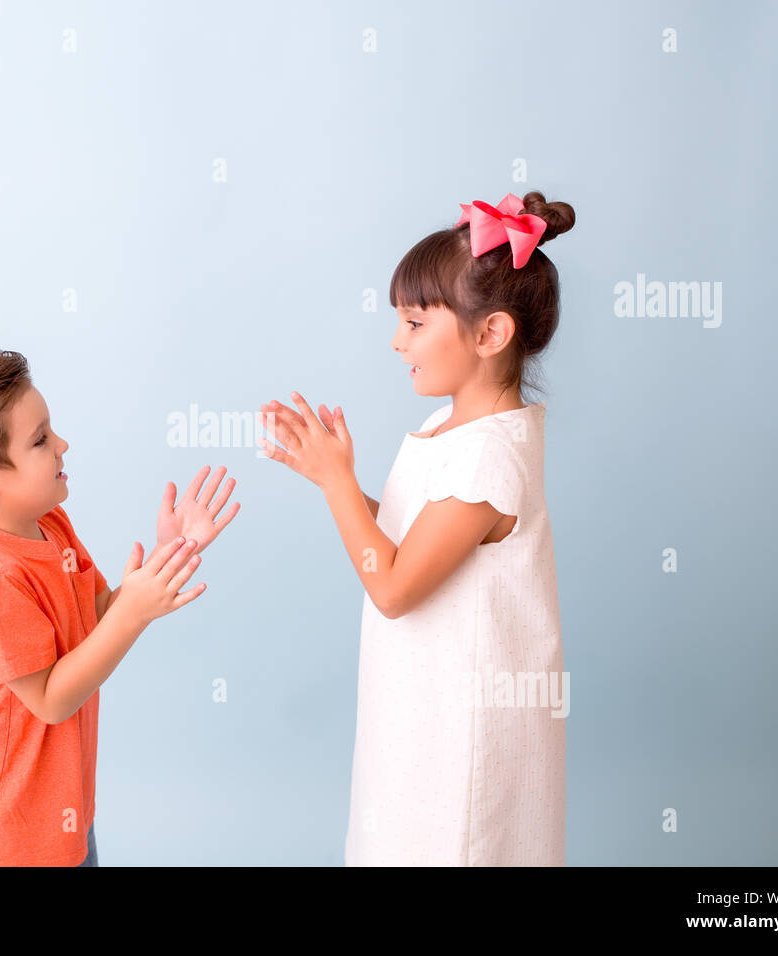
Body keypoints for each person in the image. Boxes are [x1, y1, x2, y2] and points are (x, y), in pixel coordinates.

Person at [260, 190, 575, 865]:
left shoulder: (489, 456)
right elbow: (413, 545)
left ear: (490, 334)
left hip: (463, 736)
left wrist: (341, 484)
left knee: (453, 845)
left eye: (414, 321)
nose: (396, 339)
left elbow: (396, 587)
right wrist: (333, 480)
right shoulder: (452, 430)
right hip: (422, 707)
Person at [0, 351, 239, 865]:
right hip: (6, 838)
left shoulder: (52, 524)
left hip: (63, 815)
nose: (62, 445)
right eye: (40, 440)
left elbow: (94, 619)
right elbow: (51, 699)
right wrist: (135, 611)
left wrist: (169, 555)